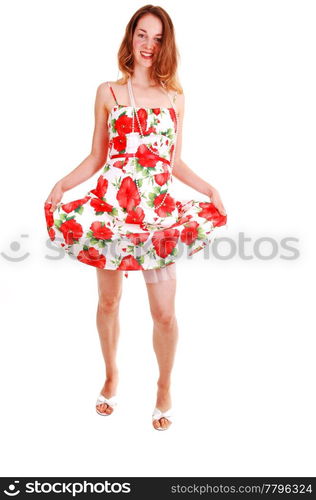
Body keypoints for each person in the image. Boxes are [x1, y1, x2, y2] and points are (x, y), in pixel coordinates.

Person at [44, 5, 227, 431]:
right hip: (110, 213)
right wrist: (62, 185)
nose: (149, 45)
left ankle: (164, 387)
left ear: (167, 44)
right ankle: (111, 375)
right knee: (108, 301)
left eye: (157, 38)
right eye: (142, 35)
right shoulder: (108, 92)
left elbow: (173, 162)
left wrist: (208, 189)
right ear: (130, 39)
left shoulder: (175, 98)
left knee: (164, 313)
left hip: (156, 218)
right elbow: (96, 156)